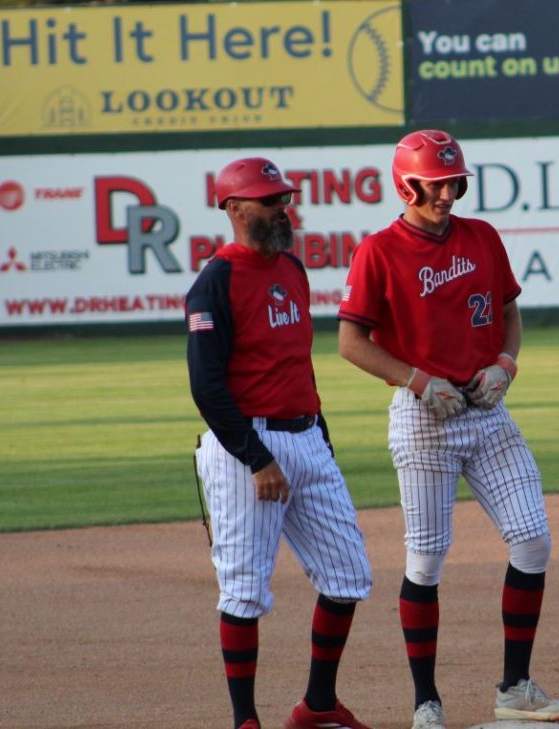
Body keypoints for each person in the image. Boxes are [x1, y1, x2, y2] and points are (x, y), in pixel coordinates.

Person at [337, 130, 559, 728]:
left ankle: (515, 688)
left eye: (455, 182)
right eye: (436, 183)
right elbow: (350, 342)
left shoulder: (482, 237)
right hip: (424, 419)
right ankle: (426, 702)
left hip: (486, 410)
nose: (448, 193)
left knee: (533, 540)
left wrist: (506, 364)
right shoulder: (378, 251)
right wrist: (417, 381)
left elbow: (507, 311)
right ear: (406, 184)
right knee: (427, 560)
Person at [186, 157, 373, 729]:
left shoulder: (292, 267)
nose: (281, 209)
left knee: (348, 576)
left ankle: (317, 704)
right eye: (269, 201)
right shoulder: (214, 281)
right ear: (235, 209)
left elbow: (298, 365)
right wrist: (256, 457)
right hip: (248, 446)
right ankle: (245, 719)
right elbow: (206, 385)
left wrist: (323, 440)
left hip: (306, 436)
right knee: (244, 591)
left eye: (284, 199)